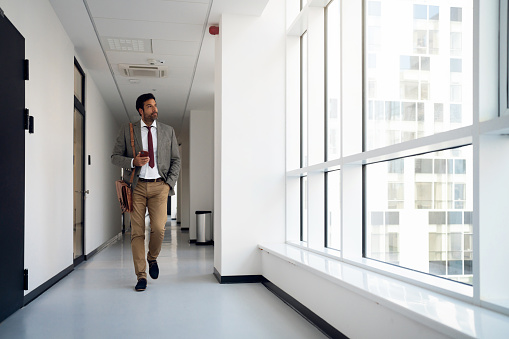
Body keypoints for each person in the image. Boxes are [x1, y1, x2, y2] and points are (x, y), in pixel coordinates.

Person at [111, 93, 181, 291]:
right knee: (137, 233)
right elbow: (115, 157)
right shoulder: (128, 130)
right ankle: (141, 276)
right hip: (136, 187)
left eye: (155, 105)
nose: (154, 109)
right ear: (141, 111)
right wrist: (133, 161)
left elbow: (176, 160)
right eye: (150, 106)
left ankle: (152, 258)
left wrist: (169, 184)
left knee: (159, 228)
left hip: (160, 186)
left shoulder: (168, 131)